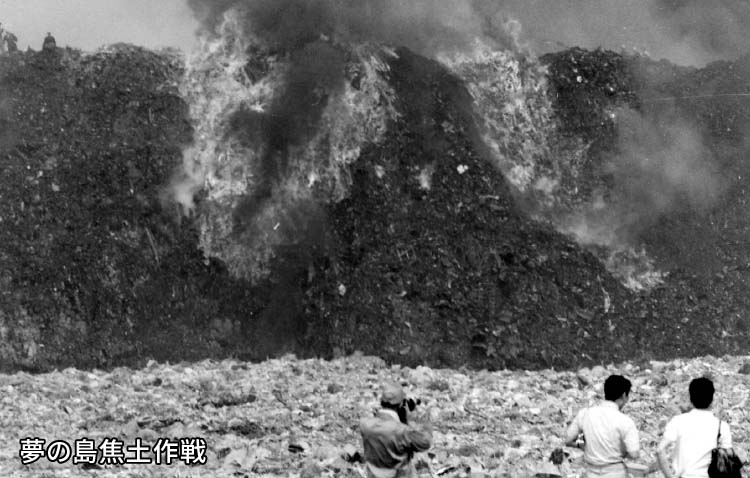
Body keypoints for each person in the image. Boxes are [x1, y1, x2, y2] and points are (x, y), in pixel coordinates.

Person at [565, 374, 640, 477]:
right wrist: (621, 450)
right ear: (623, 395)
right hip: (615, 472)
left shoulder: (585, 414)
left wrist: (586, 445)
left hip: (591, 472)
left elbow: (568, 440)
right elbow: (634, 454)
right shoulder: (626, 421)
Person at [657, 377, 732, 478]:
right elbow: (728, 461)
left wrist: (669, 476)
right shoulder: (722, 426)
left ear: (690, 397)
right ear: (712, 398)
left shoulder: (678, 421)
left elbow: (659, 450)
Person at [359, 381, 432, 478]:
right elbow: (426, 442)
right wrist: (411, 420)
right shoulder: (402, 431)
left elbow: (382, 425)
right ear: (401, 405)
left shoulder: (365, 424)